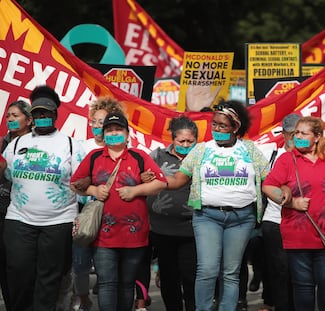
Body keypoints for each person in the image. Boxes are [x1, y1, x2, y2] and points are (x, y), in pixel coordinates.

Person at [166, 99, 272, 311]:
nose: (216, 129)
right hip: (207, 217)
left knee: (230, 273)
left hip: (241, 220)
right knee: (207, 270)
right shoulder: (201, 150)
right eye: (214, 124)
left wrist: (284, 194)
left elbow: (268, 182)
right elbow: (178, 179)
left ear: (236, 127)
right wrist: (155, 181)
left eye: (222, 125)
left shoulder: (250, 150)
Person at [263, 116, 325, 311]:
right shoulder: (287, 159)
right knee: (303, 287)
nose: (297, 136)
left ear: (317, 137)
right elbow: (268, 186)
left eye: (303, 133)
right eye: (296, 133)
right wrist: (292, 202)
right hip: (297, 237)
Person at [70, 110, 167, 311]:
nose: (114, 133)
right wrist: (94, 190)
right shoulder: (94, 156)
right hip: (103, 236)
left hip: (135, 236)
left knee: (126, 285)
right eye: (109, 129)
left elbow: (161, 183)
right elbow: (74, 184)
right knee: (106, 284)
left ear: (127, 133)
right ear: (103, 134)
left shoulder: (139, 157)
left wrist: (136, 190)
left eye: (118, 129)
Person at [2, 85, 84, 311]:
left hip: (58, 223)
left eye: (46, 114)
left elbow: (81, 180)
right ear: (32, 117)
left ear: (55, 116)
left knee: (49, 278)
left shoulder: (70, 144)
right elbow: (6, 173)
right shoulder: (17, 143)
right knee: (18, 272)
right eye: (37, 114)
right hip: (18, 219)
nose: (42, 117)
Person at [71, 96, 126, 311]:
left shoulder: (124, 149)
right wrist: (90, 186)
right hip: (84, 212)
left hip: (112, 213)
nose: (97, 126)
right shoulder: (80, 146)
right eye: (94, 121)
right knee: (80, 263)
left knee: (108, 267)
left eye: (102, 122)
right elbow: (74, 180)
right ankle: (83, 298)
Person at [145, 115, 198, 311]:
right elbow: (143, 179)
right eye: (181, 141)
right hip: (161, 230)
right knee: (169, 278)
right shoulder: (156, 156)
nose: (186, 145)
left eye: (190, 141)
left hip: (192, 230)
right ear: (172, 139)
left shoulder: (201, 157)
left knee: (190, 277)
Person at [259, 113, 300, 311]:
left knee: (299, 272)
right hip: (275, 220)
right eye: (292, 133)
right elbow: (264, 184)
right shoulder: (271, 155)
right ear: (283, 134)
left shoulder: (312, 155)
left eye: (300, 132)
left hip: (302, 223)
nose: (295, 137)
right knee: (280, 271)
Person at [0, 100, 33, 310]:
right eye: (8, 115)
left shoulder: (38, 143)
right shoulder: (3, 142)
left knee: (20, 264)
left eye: (15, 115)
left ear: (29, 120)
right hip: (2, 207)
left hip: (27, 211)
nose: (11, 119)